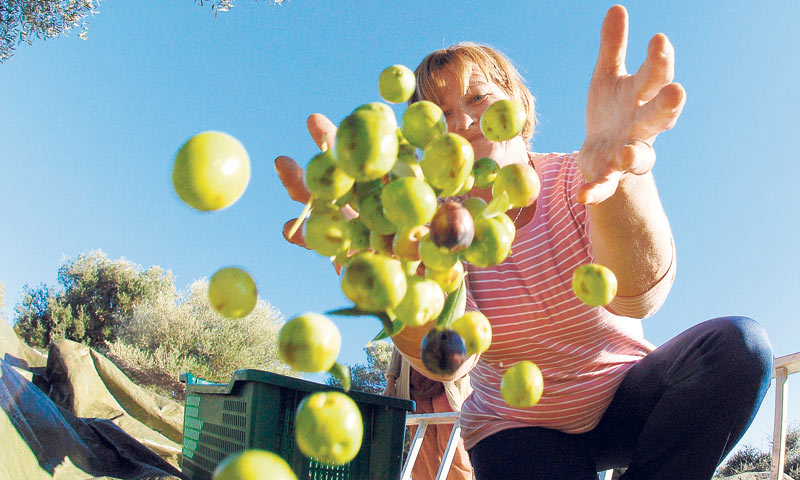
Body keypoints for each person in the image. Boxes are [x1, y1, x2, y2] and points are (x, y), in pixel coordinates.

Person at [276, 6, 774, 479]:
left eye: (476, 98)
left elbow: (637, 293)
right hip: (517, 428)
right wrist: (393, 290)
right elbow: (450, 360)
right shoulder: (432, 230)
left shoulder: (577, 176)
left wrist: (619, 179)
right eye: (437, 114)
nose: (461, 122)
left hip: (624, 397)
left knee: (738, 348)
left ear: (518, 103)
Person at [384, 346, 473, 480]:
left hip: (446, 383)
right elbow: (399, 343)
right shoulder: (404, 324)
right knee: (422, 452)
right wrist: (391, 380)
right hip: (415, 385)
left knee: (452, 445)